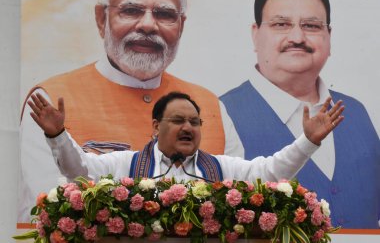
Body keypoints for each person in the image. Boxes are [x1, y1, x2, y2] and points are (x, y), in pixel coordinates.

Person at [18, 0, 243, 223]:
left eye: (164, 14)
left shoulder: (209, 105)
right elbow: (49, 213)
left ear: (180, 26)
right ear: (102, 19)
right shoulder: (51, 101)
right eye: (132, 10)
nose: (148, 25)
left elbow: (238, 207)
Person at [220, 0, 380, 228]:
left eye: (311, 26)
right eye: (281, 24)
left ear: (329, 36)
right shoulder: (223, 112)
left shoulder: (356, 111)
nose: (297, 36)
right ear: (255, 34)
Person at [27, 91, 343, 185]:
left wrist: (308, 140)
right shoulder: (126, 164)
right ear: (155, 127)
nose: (188, 127)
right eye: (178, 121)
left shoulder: (221, 169)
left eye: (194, 121)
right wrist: (57, 134)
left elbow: (271, 172)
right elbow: (78, 171)